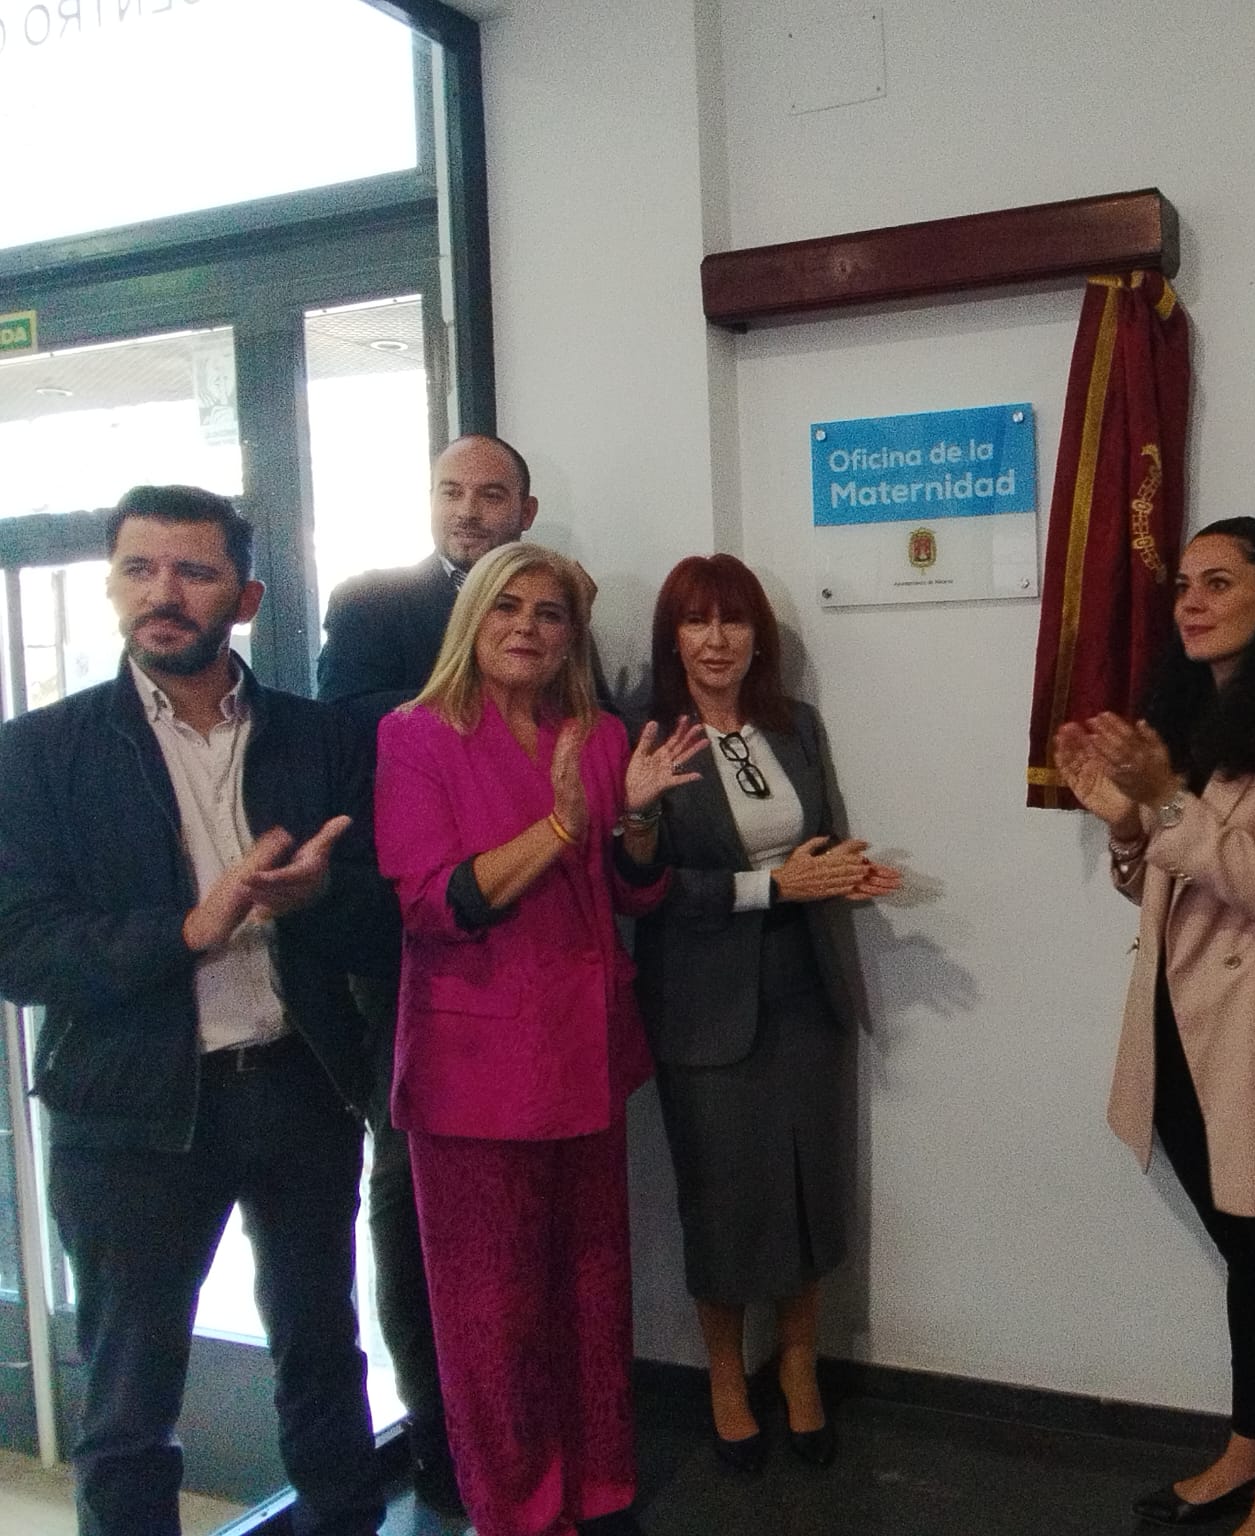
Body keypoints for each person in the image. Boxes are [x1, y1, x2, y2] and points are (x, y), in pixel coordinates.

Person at [0, 485, 384, 1536]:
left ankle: (343, 1521)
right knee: (130, 1397)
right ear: (113, 582)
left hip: (298, 1085)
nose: (163, 594)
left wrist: (322, 900)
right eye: (140, 569)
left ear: (245, 595)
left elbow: (385, 916)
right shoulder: (37, 753)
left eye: (194, 571)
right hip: (127, 1117)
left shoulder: (319, 740)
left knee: (321, 1349)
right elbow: (19, 944)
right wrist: (186, 931)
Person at [1057, 515, 1255, 1536]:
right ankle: (1248, 1444)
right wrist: (1125, 823)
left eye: (1218, 582)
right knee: (1246, 1258)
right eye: (1183, 585)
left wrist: (1158, 805)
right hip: (1184, 1017)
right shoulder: (1192, 711)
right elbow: (1163, 889)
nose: (1190, 602)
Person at [374, 541, 703, 1536]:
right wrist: (561, 829)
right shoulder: (415, 735)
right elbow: (433, 903)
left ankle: (598, 1487)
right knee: (492, 1318)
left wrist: (636, 826)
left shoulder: (599, 734)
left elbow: (630, 892)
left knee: (592, 1297)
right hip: (474, 1076)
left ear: (571, 634)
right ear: (472, 617)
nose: (526, 626)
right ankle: (515, 1508)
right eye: (506, 606)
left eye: (548, 613)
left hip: (587, 1056)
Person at [315, 431, 605, 1510]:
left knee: (558, 1244)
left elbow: (589, 747)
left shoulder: (561, 611)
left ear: (523, 507)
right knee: (420, 1206)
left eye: (490, 494)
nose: (468, 509)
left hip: (550, 970)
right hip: (415, 945)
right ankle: (441, 1429)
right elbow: (357, 745)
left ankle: (556, 1448)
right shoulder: (377, 607)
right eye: (451, 491)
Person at [635, 553, 899, 1474]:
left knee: (809, 1192)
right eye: (698, 622)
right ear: (672, 637)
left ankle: (797, 1370)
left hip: (808, 991)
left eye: (735, 622)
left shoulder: (796, 727)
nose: (718, 641)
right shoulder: (648, 738)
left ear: (760, 637)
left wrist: (849, 874)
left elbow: (815, 842)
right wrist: (773, 886)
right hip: (706, 1007)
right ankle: (721, 1376)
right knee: (723, 1200)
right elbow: (649, 888)